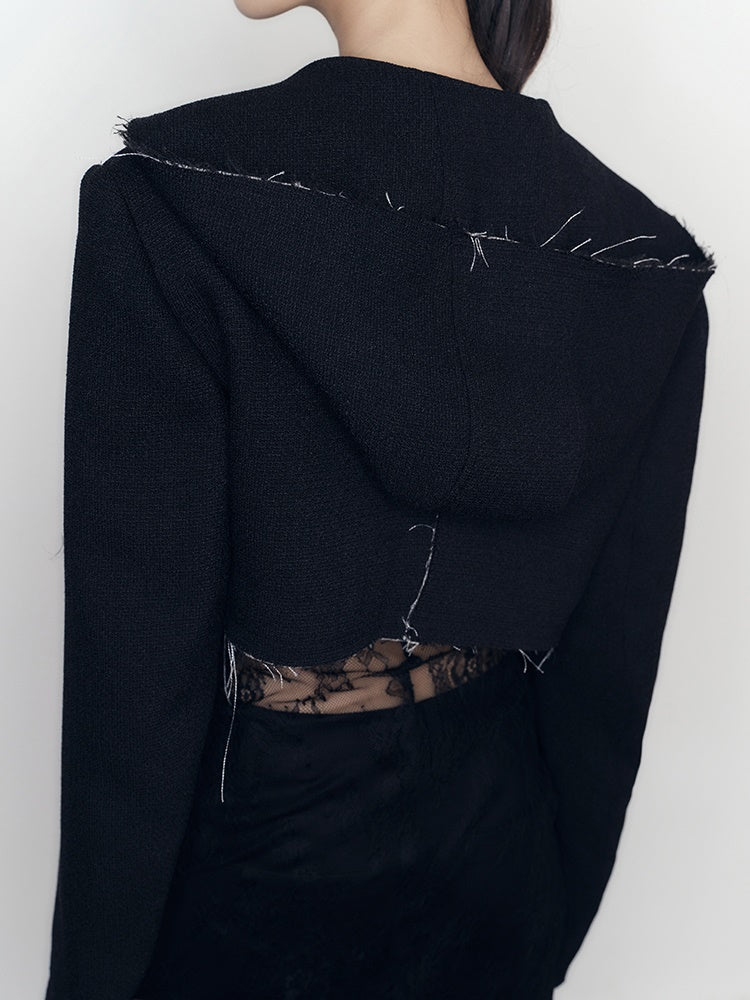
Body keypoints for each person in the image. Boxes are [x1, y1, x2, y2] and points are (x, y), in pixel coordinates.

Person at [45, 1, 717, 998]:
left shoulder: (172, 203)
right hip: (498, 838)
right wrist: (547, 914)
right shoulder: (635, 260)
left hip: (265, 853)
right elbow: (611, 665)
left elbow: (135, 679)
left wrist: (92, 977)